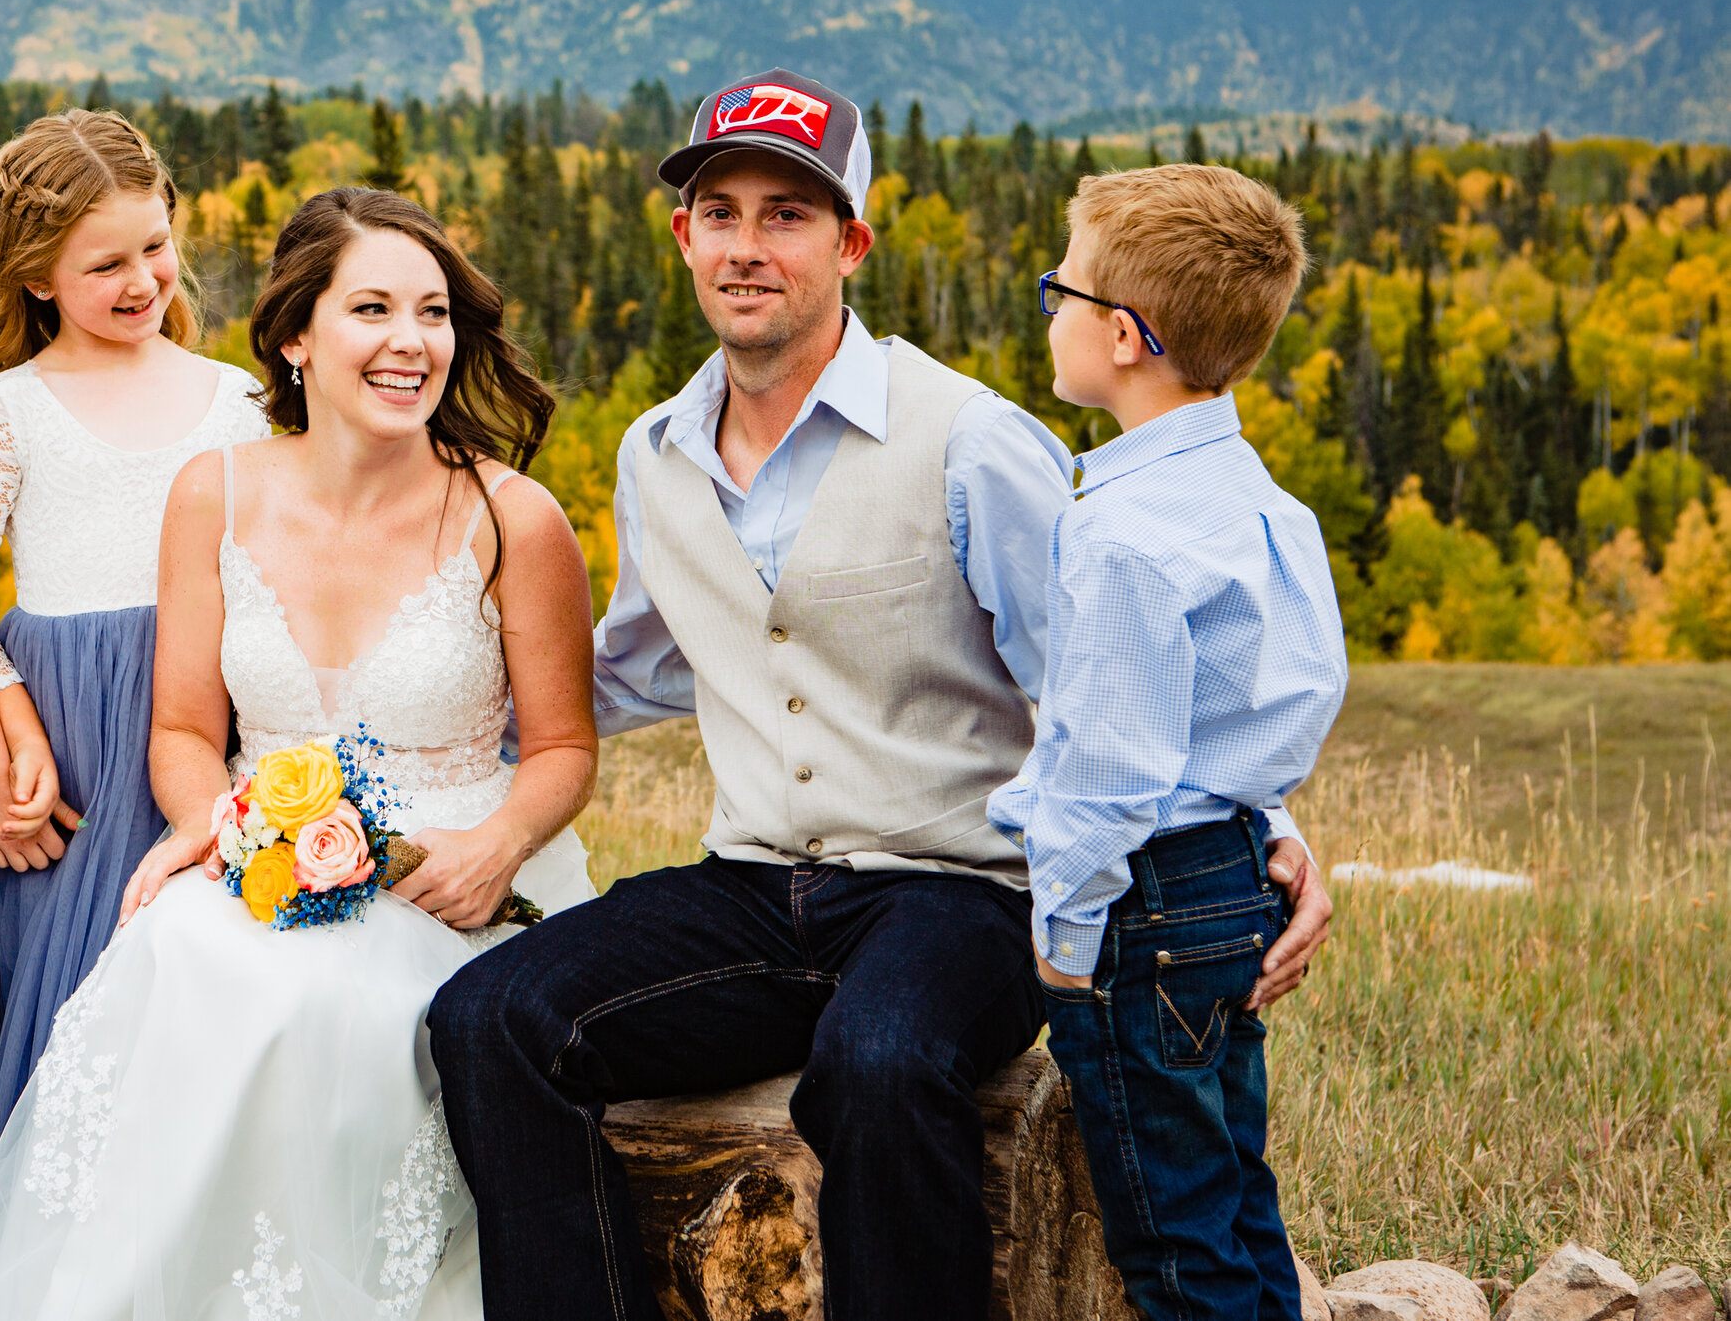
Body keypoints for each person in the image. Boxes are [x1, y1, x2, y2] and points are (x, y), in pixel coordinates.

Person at [430, 68, 1328, 1321]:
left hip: (958, 893)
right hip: (749, 888)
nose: (748, 246)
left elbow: (1108, 686)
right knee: (490, 1018)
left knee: (879, 1060)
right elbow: (628, 666)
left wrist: (1265, 826)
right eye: (722, 212)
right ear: (683, 234)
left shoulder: (972, 438)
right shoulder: (654, 453)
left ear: (849, 242)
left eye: (787, 216)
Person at [0, 188, 598, 1321]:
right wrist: (213, 824)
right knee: (184, 954)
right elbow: (188, 734)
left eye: (434, 312)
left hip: (464, 869)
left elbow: (563, 747)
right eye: (373, 309)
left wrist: (496, 844)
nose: (411, 341)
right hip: (264, 845)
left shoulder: (514, 517)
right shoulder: (218, 491)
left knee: (328, 1009)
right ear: (297, 337)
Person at [987, 163, 1348, 1321]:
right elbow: (1293, 690)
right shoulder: (1259, 501)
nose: (1051, 311)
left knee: (1172, 1245)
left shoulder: (1122, 533)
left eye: (1064, 291)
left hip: (1139, 908)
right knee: (1236, 1196)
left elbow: (1109, 768)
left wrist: (1063, 935)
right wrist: (1266, 820)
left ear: (1127, 336)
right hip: (1228, 879)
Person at [0, 109, 271, 1154]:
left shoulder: (236, 400)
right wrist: (8, 742)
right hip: (70, 723)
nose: (141, 281)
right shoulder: (10, 409)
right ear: (37, 278)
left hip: (208, 707)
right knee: (73, 967)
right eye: (103, 264)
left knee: (202, 945)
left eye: (155, 248)